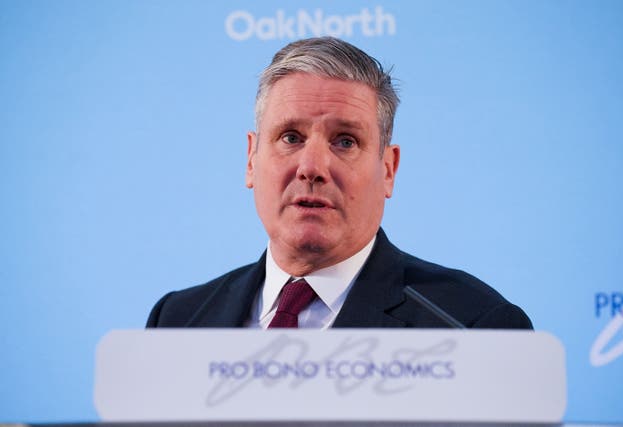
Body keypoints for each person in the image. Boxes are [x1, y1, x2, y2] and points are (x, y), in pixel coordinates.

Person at [146, 37, 532, 330]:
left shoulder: (475, 328)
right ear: (251, 159)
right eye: (291, 137)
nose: (312, 167)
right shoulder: (177, 321)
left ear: (388, 169)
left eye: (345, 141)